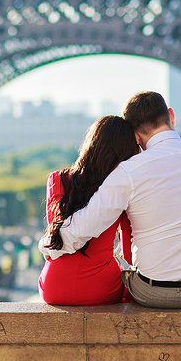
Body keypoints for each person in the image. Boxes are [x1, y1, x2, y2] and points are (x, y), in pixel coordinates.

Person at [39, 91, 181, 308]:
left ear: (135, 137)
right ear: (171, 115)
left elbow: (85, 225)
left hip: (152, 292)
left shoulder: (127, 172)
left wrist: (49, 247)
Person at [37, 115, 140, 305]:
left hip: (54, 288)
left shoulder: (57, 179)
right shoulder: (121, 187)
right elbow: (128, 251)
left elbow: (57, 235)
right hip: (101, 288)